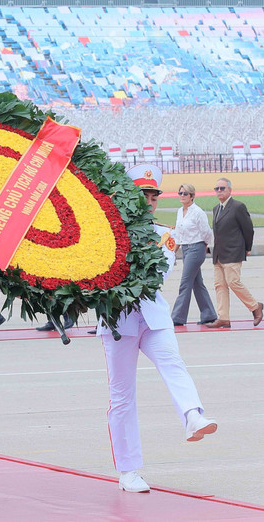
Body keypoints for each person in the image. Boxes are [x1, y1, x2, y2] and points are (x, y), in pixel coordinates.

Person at [99, 164, 217, 494]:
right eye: (143, 195)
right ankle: (128, 470)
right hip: (118, 321)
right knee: (122, 397)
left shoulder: (165, 235)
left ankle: (193, 415)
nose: (149, 201)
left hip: (153, 316)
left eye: (153, 196)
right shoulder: (106, 232)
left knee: (173, 363)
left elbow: (156, 274)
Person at [205, 177, 262, 328]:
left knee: (233, 282)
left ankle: (255, 307)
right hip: (218, 254)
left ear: (230, 190)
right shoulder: (216, 209)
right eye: (217, 188)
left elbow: (248, 229)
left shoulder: (238, 207)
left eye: (222, 188)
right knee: (220, 286)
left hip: (233, 252)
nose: (219, 191)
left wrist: (247, 248)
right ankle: (223, 318)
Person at [170, 183, 217, 326]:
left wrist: (204, 246)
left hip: (196, 249)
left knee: (185, 282)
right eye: (180, 193)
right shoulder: (180, 211)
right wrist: (173, 253)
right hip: (185, 249)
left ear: (192, 196)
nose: (182, 196)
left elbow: (207, 233)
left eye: (185, 194)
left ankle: (177, 318)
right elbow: (178, 234)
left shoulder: (197, 212)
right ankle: (209, 315)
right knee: (197, 283)